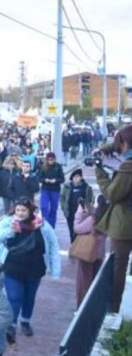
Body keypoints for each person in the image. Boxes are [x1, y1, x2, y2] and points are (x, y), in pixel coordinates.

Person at [0, 200, 60, 345]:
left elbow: (53, 245)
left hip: (35, 269)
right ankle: (11, 325)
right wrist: (11, 231)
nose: (20, 213)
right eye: (18, 210)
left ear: (30, 211)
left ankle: (25, 321)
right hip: (12, 267)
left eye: (23, 210)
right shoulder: (9, 222)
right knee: (15, 297)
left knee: (29, 297)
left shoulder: (42, 225)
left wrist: (55, 271)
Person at [93, 124, 132, 313]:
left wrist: (99, 171)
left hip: (125, 224)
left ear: (125, 143)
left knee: (118, 266)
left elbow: (112, 194)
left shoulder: (128, 166)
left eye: (120, 143)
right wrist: (113, 145)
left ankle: (113, 307)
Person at [73, 195, 108, 308]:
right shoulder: (108, 218)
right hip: (99, 254)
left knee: (84, 283)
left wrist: (79, 214)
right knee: (94, 282)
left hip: (87, 253)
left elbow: (78, 228)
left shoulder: (94, 218)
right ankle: (92, 306)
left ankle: (82, 308)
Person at [59, 169, 94, 243]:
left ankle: (80, 245)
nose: (76, 179)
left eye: (77, 176)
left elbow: (91, 199)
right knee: (72, 231)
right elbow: (62, 198)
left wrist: (89, 208)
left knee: (81, 231)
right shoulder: (67, 187)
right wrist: (64, 208)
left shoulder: (86, 187)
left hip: (83, 214)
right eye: (74, 177)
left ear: (81, 177)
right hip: (70, 213)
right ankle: (73, 245)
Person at [38, 153, 64, 228]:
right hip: (45, 189)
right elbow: (39, 178)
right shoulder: (43, 167)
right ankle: (46, 224)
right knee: (44, 207)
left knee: (53, 209)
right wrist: (45, 180)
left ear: (54, 159)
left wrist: (55, 180)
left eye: (52, 159)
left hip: (55, 190)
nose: (50, 161)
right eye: (48, 159)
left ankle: (51, 226)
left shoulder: (58, 166)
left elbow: (62, 179)